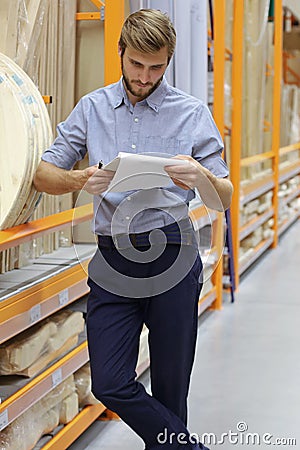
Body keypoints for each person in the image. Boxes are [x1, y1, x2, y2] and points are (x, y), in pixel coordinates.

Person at [33, 9, 232, 450]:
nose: (144, 77)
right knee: (109, 381)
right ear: (121, 53)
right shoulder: (93, 108)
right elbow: (44, 174)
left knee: (170, 388)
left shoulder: (191, 114)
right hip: (114, 256)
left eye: (156, 67)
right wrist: (80, 179)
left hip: (174, 252)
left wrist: (200, 176)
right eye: (136, 65)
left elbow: (225, 196)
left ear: (169, 61)